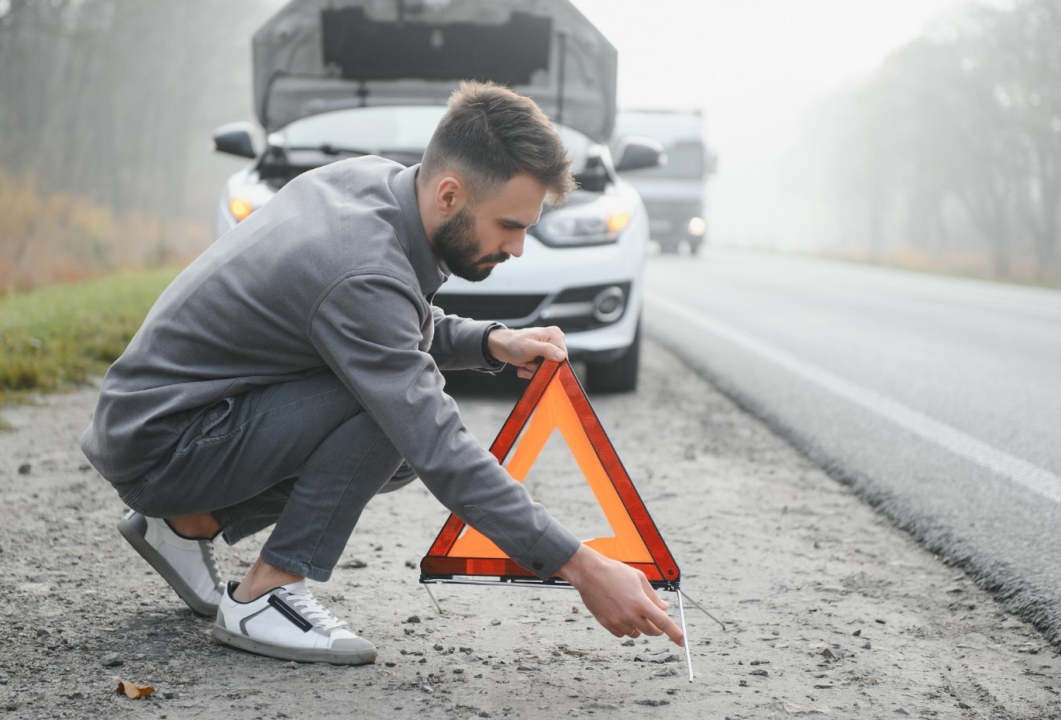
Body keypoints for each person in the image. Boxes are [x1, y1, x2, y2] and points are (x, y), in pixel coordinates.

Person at [81, 81, 683, 665]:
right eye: (510, 226)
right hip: (165, 445)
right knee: (392, 419)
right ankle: (264, 594)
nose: (519, 247)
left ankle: (189, 523)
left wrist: (491, 341)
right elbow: (435, 439)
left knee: (389, 421)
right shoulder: (360, 268)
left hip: (165, 421)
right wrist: (580, 564)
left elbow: (390, 324)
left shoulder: (371, 182)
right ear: (449, 195)